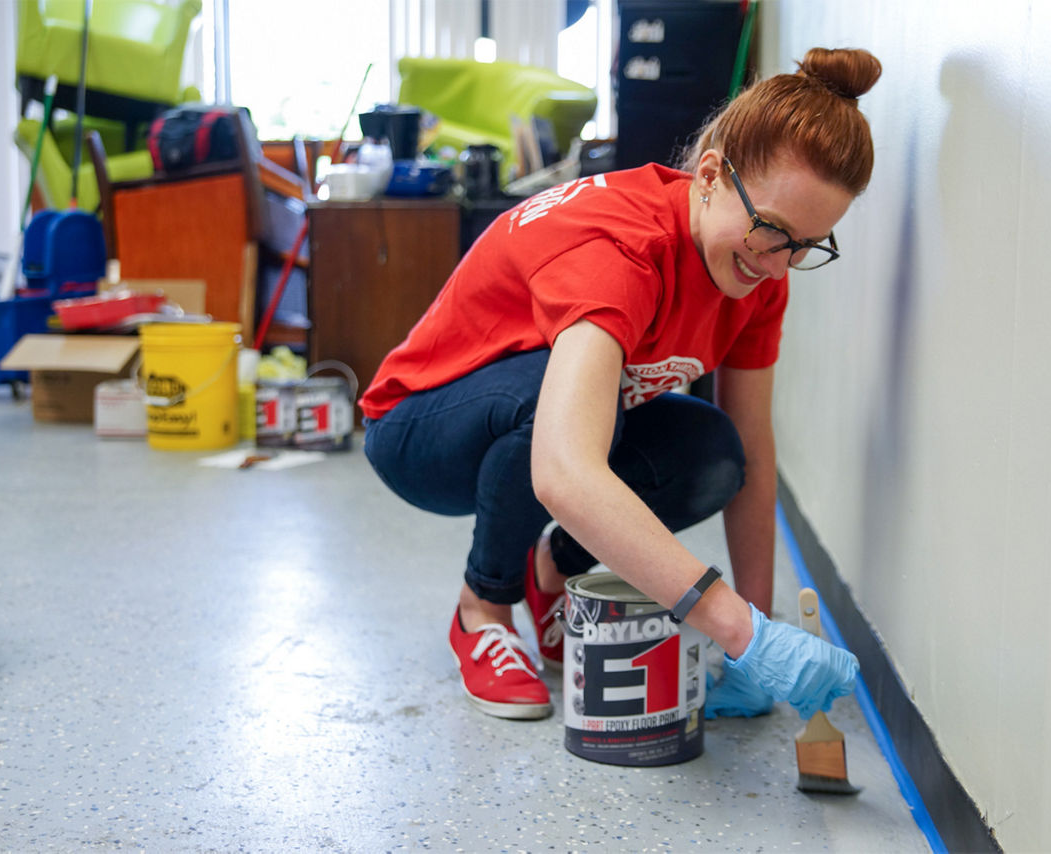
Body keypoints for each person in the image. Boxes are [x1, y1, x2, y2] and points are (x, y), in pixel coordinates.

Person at [360, 47, 881, 721]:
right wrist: (735, 626)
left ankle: (552, 573)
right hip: (420, 427)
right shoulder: (622, 251)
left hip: (542, 424)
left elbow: (753, 451)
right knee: (550, 398)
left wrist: (758, 637)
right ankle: (482, 610)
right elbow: (562, 471)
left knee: (715, 452)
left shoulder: (754, 277)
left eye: (807, 246)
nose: (779, 265)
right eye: (773, 231)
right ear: (712, 176)